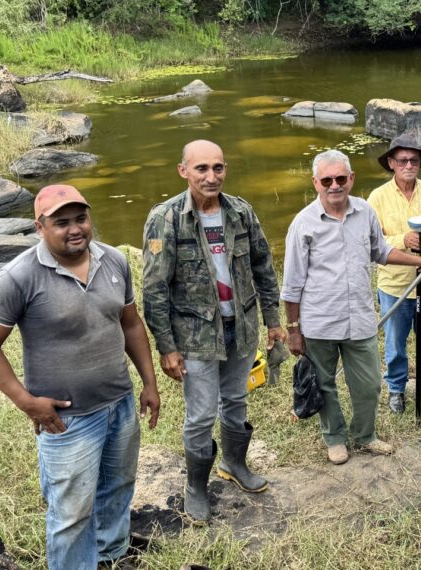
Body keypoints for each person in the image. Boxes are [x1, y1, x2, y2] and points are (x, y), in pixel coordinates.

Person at [0, 185, 160, 569]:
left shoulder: (113, 261)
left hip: (119, 404)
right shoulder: (18, 277)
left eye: (81, 218)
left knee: (118, 488)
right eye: (61, 223)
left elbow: (131, 324)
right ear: (40, 227)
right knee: (71, 513)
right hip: (67, 420)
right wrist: (27, 402)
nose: (75, 229)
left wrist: (149, 383)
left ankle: (110, 555)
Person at [141, 140, 286, 521]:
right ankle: (196, 486)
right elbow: (154, 288)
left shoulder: (241, 212)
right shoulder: (166, 219)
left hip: (241, 327)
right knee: (202, 414)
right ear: (183, 171)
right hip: (195, 336)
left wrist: (273, 321)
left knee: (236, 400)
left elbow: (263, 269)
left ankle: (235, 464)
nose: (211, 176)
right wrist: (166, 347)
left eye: (218, 168)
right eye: (201, 168)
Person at [281, 149, 421, 465]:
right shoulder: (303, 224)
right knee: (324, 385)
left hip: (360, 318)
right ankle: (335, 438)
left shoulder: (364, 211)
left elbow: (381, 251)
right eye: (327, 180)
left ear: (351, 179)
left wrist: (419, 260)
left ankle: (365, 436)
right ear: (316, 183)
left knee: (369, 384)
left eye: (341, 178)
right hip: (320, 322)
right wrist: (294, 330)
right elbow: (291, 285)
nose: (334, 185)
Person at [367, 133, 421, 414]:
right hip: (394, 284)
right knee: (395, 342)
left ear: (420, 163)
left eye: (414, 160)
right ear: (391, 162)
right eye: (402, 160)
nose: (408, 165)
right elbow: (371, 240)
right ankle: (396, 388)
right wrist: (402, 240)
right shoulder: (377, 197)